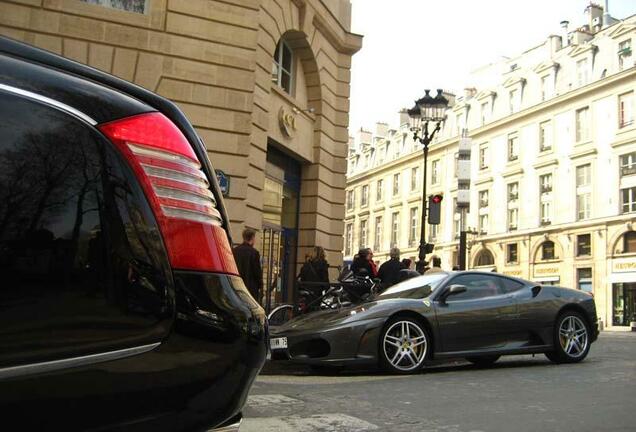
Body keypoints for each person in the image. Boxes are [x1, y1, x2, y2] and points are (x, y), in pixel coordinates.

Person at [232, 228, 263, 304]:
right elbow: (257, 272)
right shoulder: (254, 253)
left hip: (237, 286)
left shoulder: (235, 251)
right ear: (252, 238)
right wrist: (260, 285)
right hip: (250, 289)